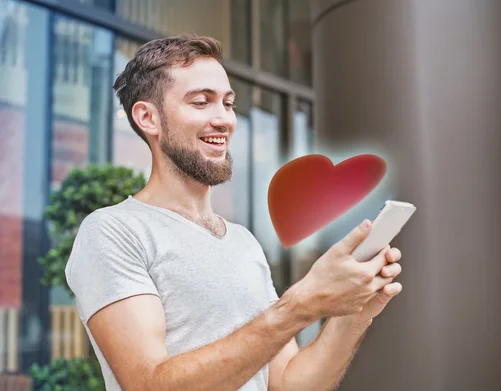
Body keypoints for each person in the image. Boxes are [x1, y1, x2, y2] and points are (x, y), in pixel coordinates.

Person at [66, 34, 403, 391]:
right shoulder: (114, 231)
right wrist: (299, 306)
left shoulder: (244, 242)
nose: (224, 120)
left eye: (228, 104)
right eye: (201, 103)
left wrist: (352, 315)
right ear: (148, 117)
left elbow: (290, 384)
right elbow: (149, 384)